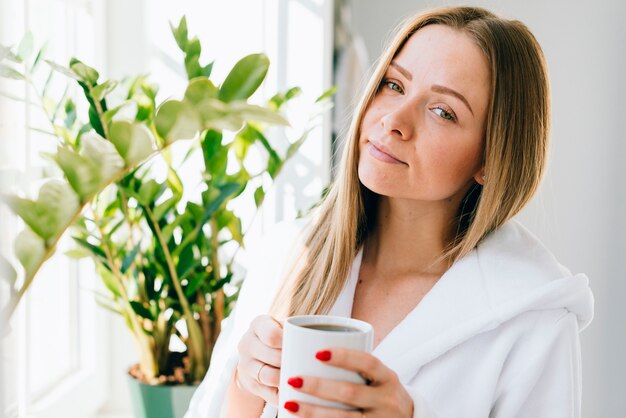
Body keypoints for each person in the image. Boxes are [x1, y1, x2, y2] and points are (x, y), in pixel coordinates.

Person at [185, 5, 594, 418]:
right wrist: (245, 388)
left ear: (490, 158)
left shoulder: (533, 319)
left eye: (442, 111)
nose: (393, 120)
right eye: (394, 85)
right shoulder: (287, 256)